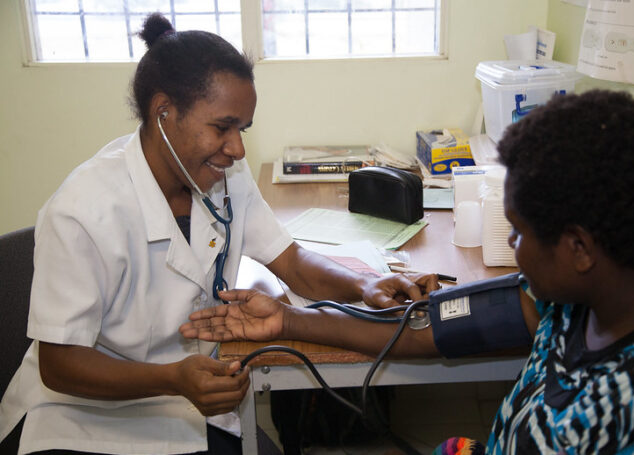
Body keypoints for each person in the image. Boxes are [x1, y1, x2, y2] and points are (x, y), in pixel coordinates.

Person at [0, 13, 438, 455]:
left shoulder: (226, 174)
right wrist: (171, 378)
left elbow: (290, 261)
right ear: (164, 111)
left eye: (242, 130)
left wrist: (364, 283)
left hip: (191, 401)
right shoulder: (82, 209)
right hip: (81, 418)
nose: (238, 148)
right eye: (222, 127)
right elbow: (59, 366)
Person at [181, 90, 634, 454]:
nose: (512, 248)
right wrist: (290, 322)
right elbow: (437, 325)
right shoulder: (585, 291)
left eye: (518, 233)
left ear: (580, 247)